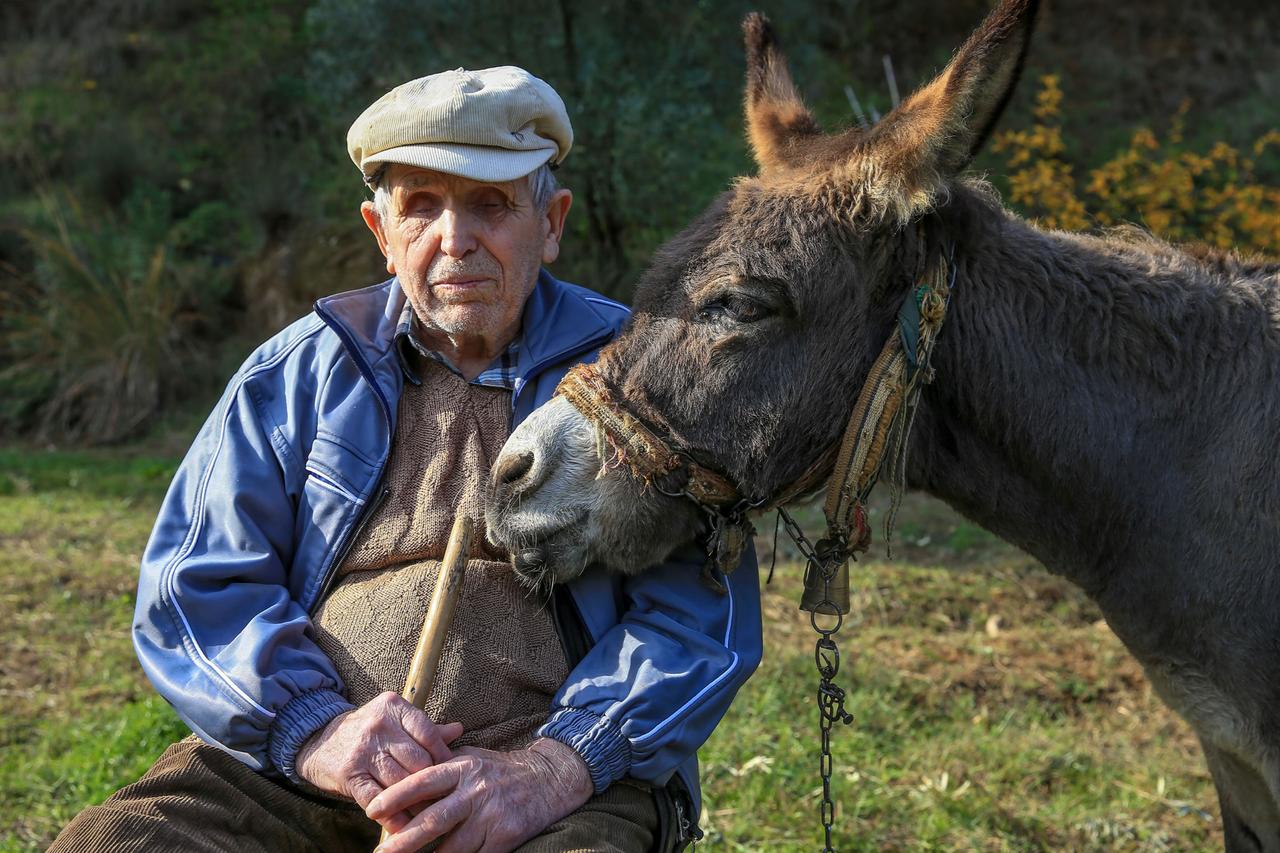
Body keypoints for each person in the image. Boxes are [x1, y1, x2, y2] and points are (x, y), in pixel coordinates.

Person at [49, 65, 762, 853]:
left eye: (491, 204)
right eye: (421, 205)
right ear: (381, 234)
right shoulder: (296, 373)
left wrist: (555, 766)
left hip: (552, 787)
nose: (455, 239)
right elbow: (197, 585)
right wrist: (318, 732)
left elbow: (700, 619)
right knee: (112, 844)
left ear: (551, 221)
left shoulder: (642, 375)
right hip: (306, 771)